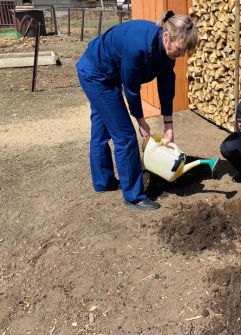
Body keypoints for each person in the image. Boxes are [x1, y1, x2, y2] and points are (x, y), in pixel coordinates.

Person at [76, 11, 198, 210]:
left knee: (101, 128)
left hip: (108, 73)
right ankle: (134, 196)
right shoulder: (138, 46)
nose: (182, 55)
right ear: (167, 37)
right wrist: (142, 122)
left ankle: (103, 182)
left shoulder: (167, 51)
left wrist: (168, 124)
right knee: (125, 136)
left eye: (185, 51)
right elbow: (131, 90)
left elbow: (167, 85)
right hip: (96, 75)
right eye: (181, 49)